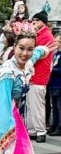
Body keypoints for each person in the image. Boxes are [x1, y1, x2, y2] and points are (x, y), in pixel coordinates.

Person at [26, 11, 54, 142]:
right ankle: (32, 130)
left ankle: (40, 131)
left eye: (36, 21)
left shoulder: (46, 36)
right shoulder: (38, 34)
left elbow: (36, 54)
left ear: (43, 21)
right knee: (31, 105)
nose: (34, 23)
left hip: (39, 75)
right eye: (33, 21)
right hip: (32, 75)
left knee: (37, 105)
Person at [48, 31, 61, 136]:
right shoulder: (56, 54)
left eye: (56, 41)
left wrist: (53, 69)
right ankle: (54, 125)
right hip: (52, 83)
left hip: (59, 83)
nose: (54, 43)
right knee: (54, 107)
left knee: (59, 106)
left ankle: (60, 126)